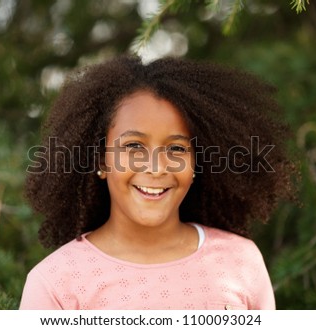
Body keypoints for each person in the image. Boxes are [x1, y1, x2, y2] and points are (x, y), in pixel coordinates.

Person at [19, 55, 297, 310]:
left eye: (176, 149)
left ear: (196, 162)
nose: (155, 167)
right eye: (134, 146)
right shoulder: (55, 283)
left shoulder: (240, 262)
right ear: (100, 161)